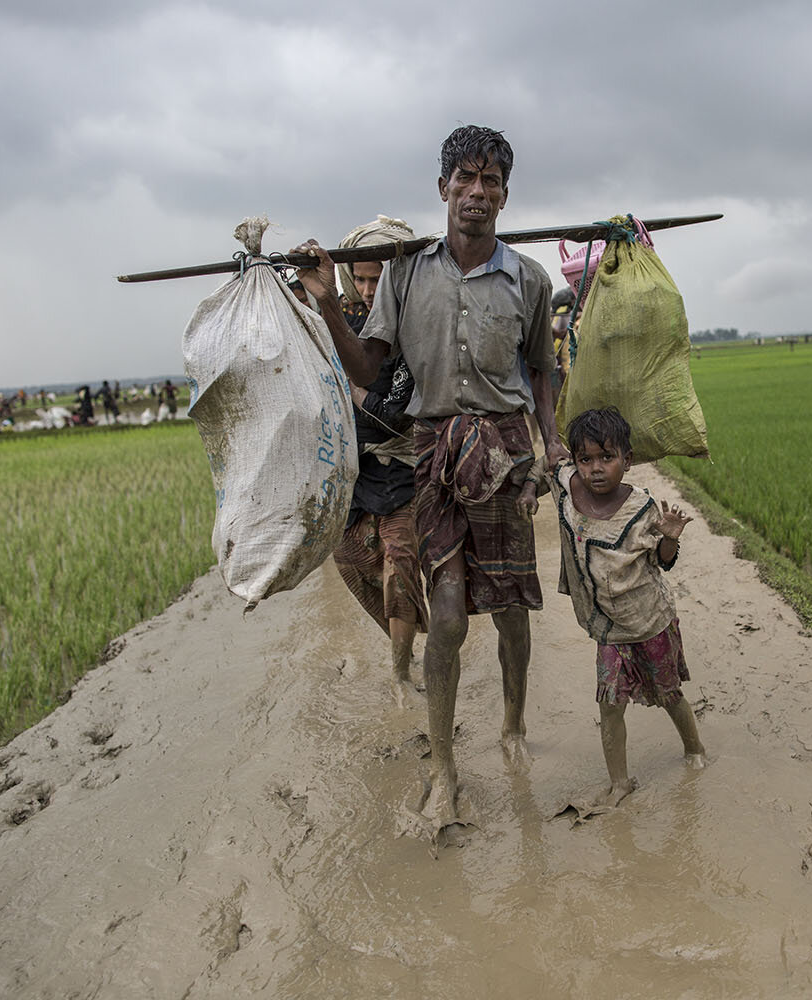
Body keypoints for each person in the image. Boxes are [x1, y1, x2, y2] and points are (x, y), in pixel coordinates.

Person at [294, 125, 570, 827]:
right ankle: (444, 767)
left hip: (505, 452)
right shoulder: (407, 274)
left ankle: (511, 723)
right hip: (437, 452)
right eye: (465, 179)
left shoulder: (528, 280)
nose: (477, 192)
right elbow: (372, 371)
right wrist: (328, 302)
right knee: (445, 615)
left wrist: (552, 439)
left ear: (505, 196)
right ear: (442, 187)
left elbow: (541, 368)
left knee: (510, 610)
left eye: (491, 182)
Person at [549, 407, 705, 807]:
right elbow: (549, 465)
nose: (595, 469)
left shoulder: (642, 508)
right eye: (586, 459)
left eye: (607, 457)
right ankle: (619, 782)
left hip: (649, 621)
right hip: (608, 630)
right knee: (609, 704)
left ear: (627, 460)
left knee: (669, 693)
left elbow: (663, 562)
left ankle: (694, 749)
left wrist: (669, 537)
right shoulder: (568, 487)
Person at [324, 215, 431, 708]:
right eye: (361, 278)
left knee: (400, 560)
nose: (369, 289)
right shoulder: (341, 324)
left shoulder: (414, 327)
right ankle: (405, 644)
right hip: (354, 465)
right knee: (349, 559)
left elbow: (396, 418)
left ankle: (400, 671)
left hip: (401, 464)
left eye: (379, 278)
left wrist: (352, 390)